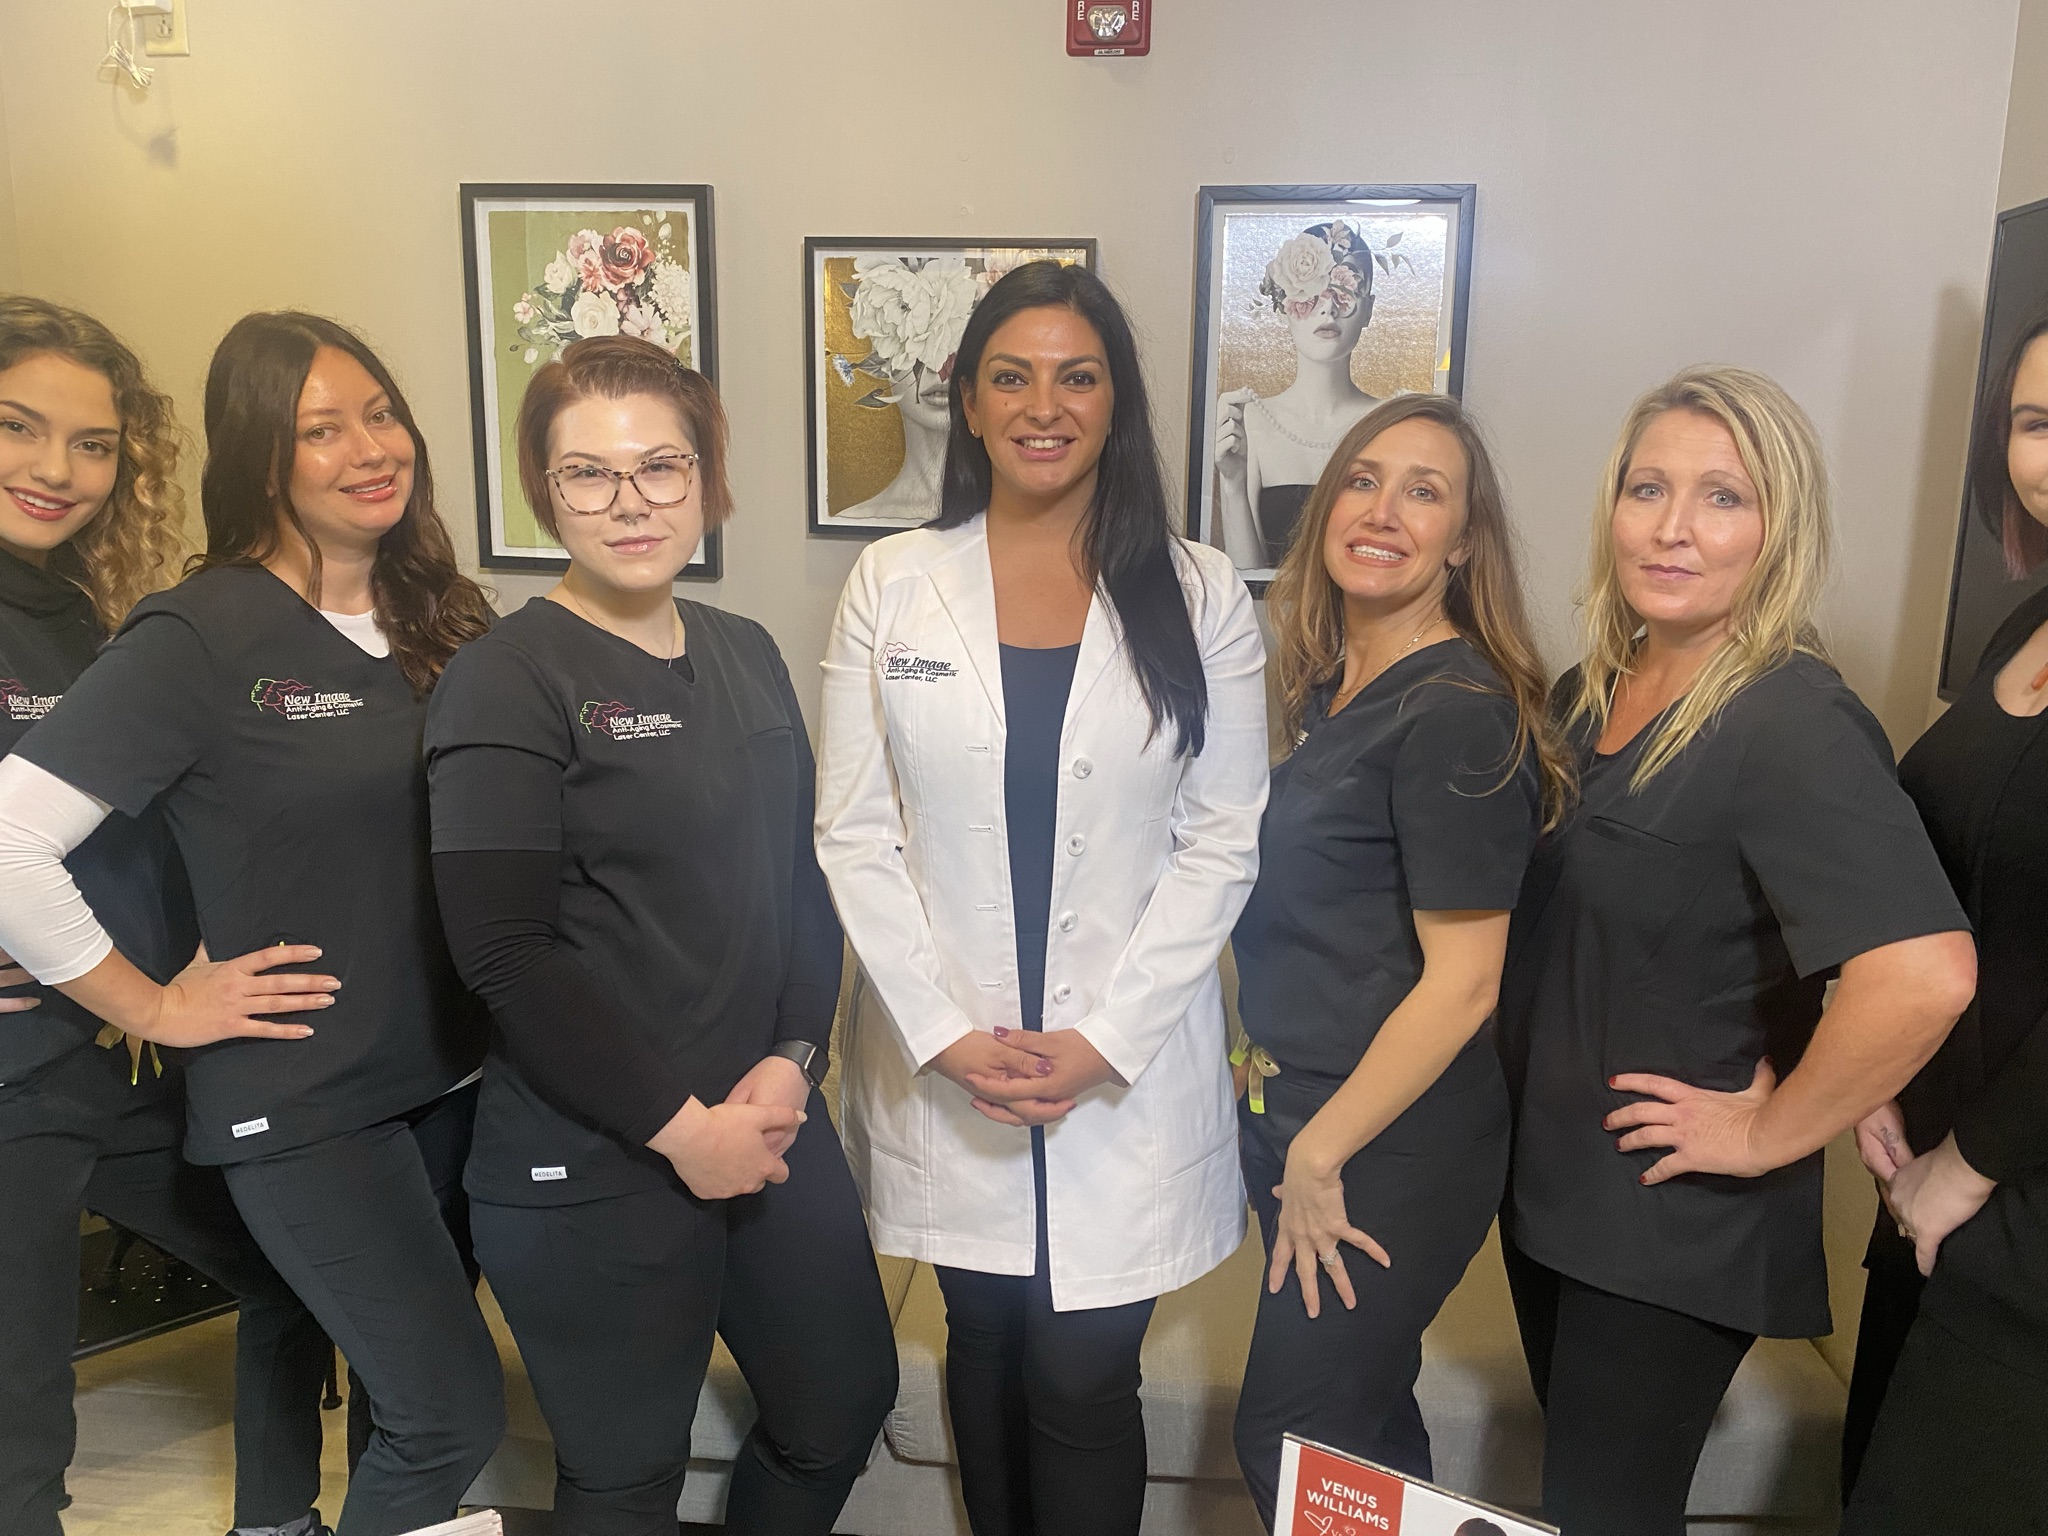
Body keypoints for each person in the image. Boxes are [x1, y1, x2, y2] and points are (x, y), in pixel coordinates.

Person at [0, 311, 504, 1536]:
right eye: (319, 428)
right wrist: (155, 1001)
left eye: (379, 414)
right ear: (259, 456)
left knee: (372, 1379)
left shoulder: (435, 615)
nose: (367, 447)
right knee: (447, 1415)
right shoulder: (201, 631)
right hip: (266, 1097)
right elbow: (13, 843)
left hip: (434, 1082)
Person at [816, 261, 1269, 1536]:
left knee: (1078, 1371)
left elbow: (1221, 840)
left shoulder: (1198, 591)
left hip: (1120, 1064)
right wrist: (941, 1032)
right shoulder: (891, 581)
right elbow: (853, 831)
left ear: (1115, 402)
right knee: (981, 1337)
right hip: (950, 1054)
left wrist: (1104, 1039)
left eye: (1077, 377)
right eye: (1009, 377)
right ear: (966, 399)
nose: (1042, 405)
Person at [424, 334, 897, 1534]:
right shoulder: (503, 679)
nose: (629, 501)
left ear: (705, 477)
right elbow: (503, 953)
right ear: (544, 492)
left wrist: (793, 1058)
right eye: (588, 473)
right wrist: (685, 1133)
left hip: (764, 1116)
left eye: (659, 466)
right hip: (594, 1155)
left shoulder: (746, 652)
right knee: (626, 1478)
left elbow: (802, 879)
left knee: (839, 1406)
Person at [1493, 366, 1977, 1536]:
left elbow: (1922, 972)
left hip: (1666, 1218)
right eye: (1646, 488)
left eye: (1721, 497)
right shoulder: (1592, 690)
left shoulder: (1789, 720)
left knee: (1603, 1517)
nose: (1671, 527)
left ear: (1777, 531)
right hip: (1556, 1193)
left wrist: (1765, 1131)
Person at [0, 298, 332, 1536]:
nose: (56, 469)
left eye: (92, 444)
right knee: (21, 1436)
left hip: (98, 1069)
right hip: (15, 1090)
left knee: (300, 1270)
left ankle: (277, 1522)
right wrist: (149, 1001)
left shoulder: (81, 613)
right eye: (17, 427)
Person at [1228, 394, 1571, 1523]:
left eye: (1423, 493)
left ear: (1463, 542)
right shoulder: (1333, 687)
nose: (1381, 511)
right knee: (1361, 1428)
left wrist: (1318, 1150)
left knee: (1288, 1439)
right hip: (1309, 1116)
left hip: (1385, 1143)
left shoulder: (1456, 710)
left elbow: (1464, 983)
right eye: (1362, 481)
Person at [1838, 311, 2048, 1534]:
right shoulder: (2019, 630)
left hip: (2012, 1204)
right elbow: (1948, 885)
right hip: (1927, 1182)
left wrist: (1962, 1169)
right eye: (2033, 422)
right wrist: (1872, 1064)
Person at [1214, 220, 1381, 570]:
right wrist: (1232, 483)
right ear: (1283, 303)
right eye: (1311, 292)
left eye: (1345, 291)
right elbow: (1247, 578)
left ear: (1368, 308)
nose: (1328, 309)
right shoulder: (1252, 419)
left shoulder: (1390, 424)